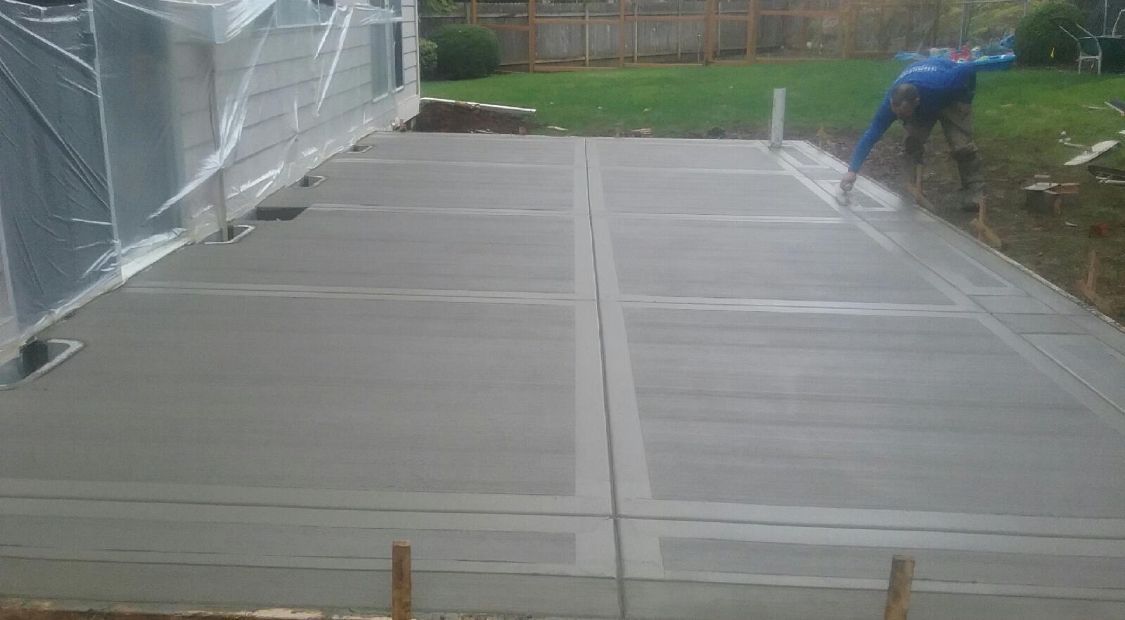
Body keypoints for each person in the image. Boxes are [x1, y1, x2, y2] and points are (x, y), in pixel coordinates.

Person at [841, 58, 984, 211]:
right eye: (898, 115)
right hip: (924, 100)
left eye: (904, 114)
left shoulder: (943, 84)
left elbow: (969, 67)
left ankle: (974, 191)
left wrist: (968, 99)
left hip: (952, 98)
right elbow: (872, 134)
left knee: (962, 146)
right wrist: (852, 170)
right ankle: (909, 187)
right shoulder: (891, 105)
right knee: (912, 143)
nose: (901, 119)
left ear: (916, 102)